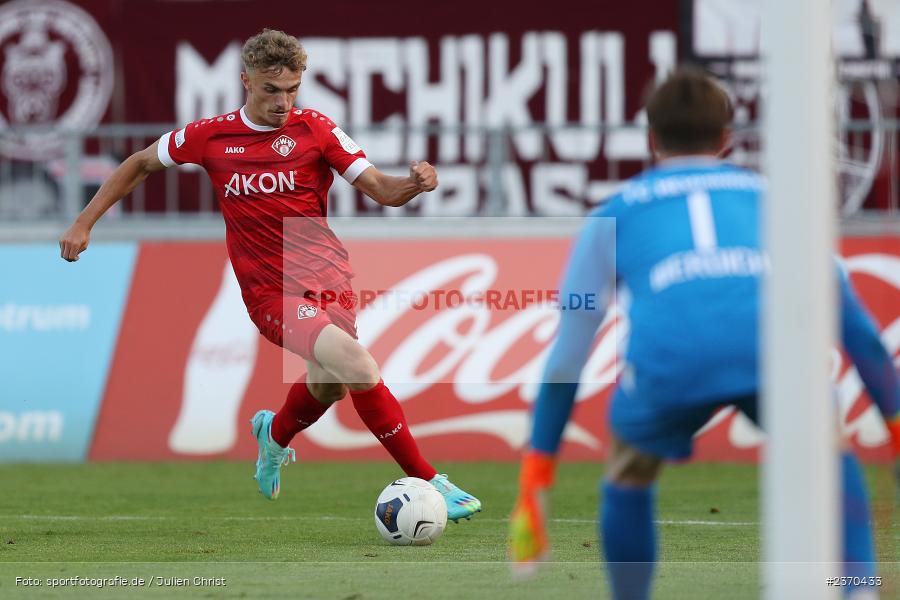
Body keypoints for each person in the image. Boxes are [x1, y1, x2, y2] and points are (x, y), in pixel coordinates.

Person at [507, 67, 900, 598]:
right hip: (770, 351)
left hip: (673, 359)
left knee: (628, 465)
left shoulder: (613, 215)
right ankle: (857, 586)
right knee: (828, 445)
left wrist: (538, 474)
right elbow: (855, 326)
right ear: (726, 139)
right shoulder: (777, 199)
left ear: (650, 140)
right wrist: (896, 429)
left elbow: (567, 357)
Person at [59, 28, 481, 522]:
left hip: (330, 282)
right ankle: (430, 480)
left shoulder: (317, 129)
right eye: (270, 90)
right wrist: (84, 221)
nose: (283, 102)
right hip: (270, 292)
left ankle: (274, 435)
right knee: (359, 366)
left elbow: (381, 191)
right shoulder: (209, 135)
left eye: (292, 90)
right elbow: (139, 163)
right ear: (246, 81)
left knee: (329, 385)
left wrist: (413, 183)